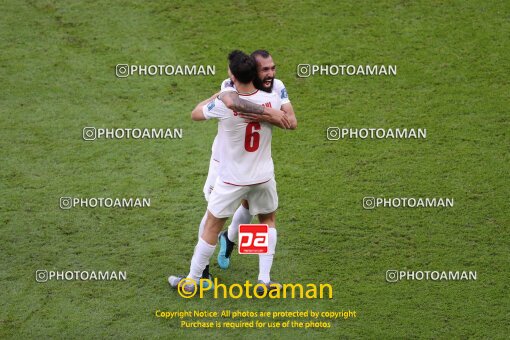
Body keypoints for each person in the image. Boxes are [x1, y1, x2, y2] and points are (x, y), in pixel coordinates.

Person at [169, 50, 284, 292]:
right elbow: (286, 118)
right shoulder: (272, 101)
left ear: (232, 75)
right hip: (263, 177)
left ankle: (193, 280)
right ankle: (263, 280)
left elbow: (196, 113)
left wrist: (221, 94)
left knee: (211, 224)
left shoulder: (223, 104)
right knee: (266, 222)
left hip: (232, 178)